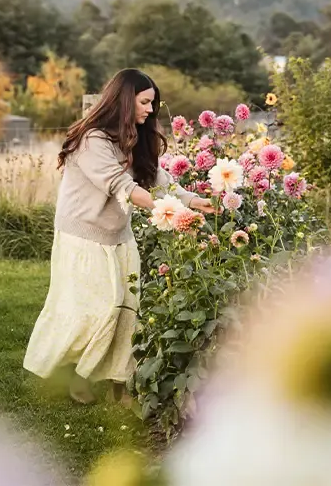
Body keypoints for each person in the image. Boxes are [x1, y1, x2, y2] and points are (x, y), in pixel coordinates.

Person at [23, 68, 216, 405]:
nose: (149, 110)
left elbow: (155, 178)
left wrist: (190, 201)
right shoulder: (92, 140)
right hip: (83, 237)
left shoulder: (135, 136)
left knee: (127, 312)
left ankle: (119, 384)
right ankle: (74, 374)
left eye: (153, 104)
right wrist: (168, 210)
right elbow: (121, 186)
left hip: (118, 236)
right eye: (144, 102)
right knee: (94, 310)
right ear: (126, 101)